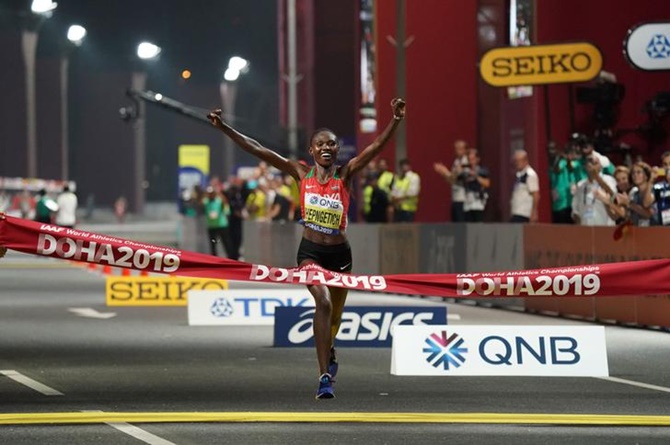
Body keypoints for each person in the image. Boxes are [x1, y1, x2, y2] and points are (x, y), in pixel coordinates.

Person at [207, 97, 406, 399]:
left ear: (337, 150)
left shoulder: (346, 174)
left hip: (340, 256)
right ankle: (324, 376)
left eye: (332, 145)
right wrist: (224, 128)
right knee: (322, 303)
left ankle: (330, 350)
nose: (327, 148)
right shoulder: (300, 174)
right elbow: (256, 148)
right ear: (311, 150)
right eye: (321, 145)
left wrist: (395, 120)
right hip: (310, 253)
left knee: (335, 318)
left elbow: (375, 147)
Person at [571, 155, 616, 226]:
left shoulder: (609, 180)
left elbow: (612, 195)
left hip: (604, 227)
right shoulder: (581, 184)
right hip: (585, 229)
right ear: (585, 166)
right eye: (588, 162)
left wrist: (597, 177)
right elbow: (575, 209)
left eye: (594, 163)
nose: (590, 164)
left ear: (600, 167)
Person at [433, 139, 468, 221]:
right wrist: (444, 174)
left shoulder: (466, 162)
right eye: (455, 148)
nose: (457, 151)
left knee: (461, 223)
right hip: (455, 197)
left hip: (463, 198)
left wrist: (445, 172)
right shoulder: (456, 162)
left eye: (459, 148)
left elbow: (458, 178)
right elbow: (451, 180)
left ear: (465, 150)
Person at [510, 149, 540, 223]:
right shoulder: (519, 175)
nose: (516, 164)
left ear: (525, 160)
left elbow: (536, 194)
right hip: (516, 212)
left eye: (518, 161)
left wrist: (534, 212)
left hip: (524, 213)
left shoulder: (530, 175)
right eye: (515, 161)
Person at [653, 151, 670, 226]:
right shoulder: (658, 186)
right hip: (663, 228)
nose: (668, 167)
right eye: (665, 164)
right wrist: (651, 180)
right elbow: (646, 204)